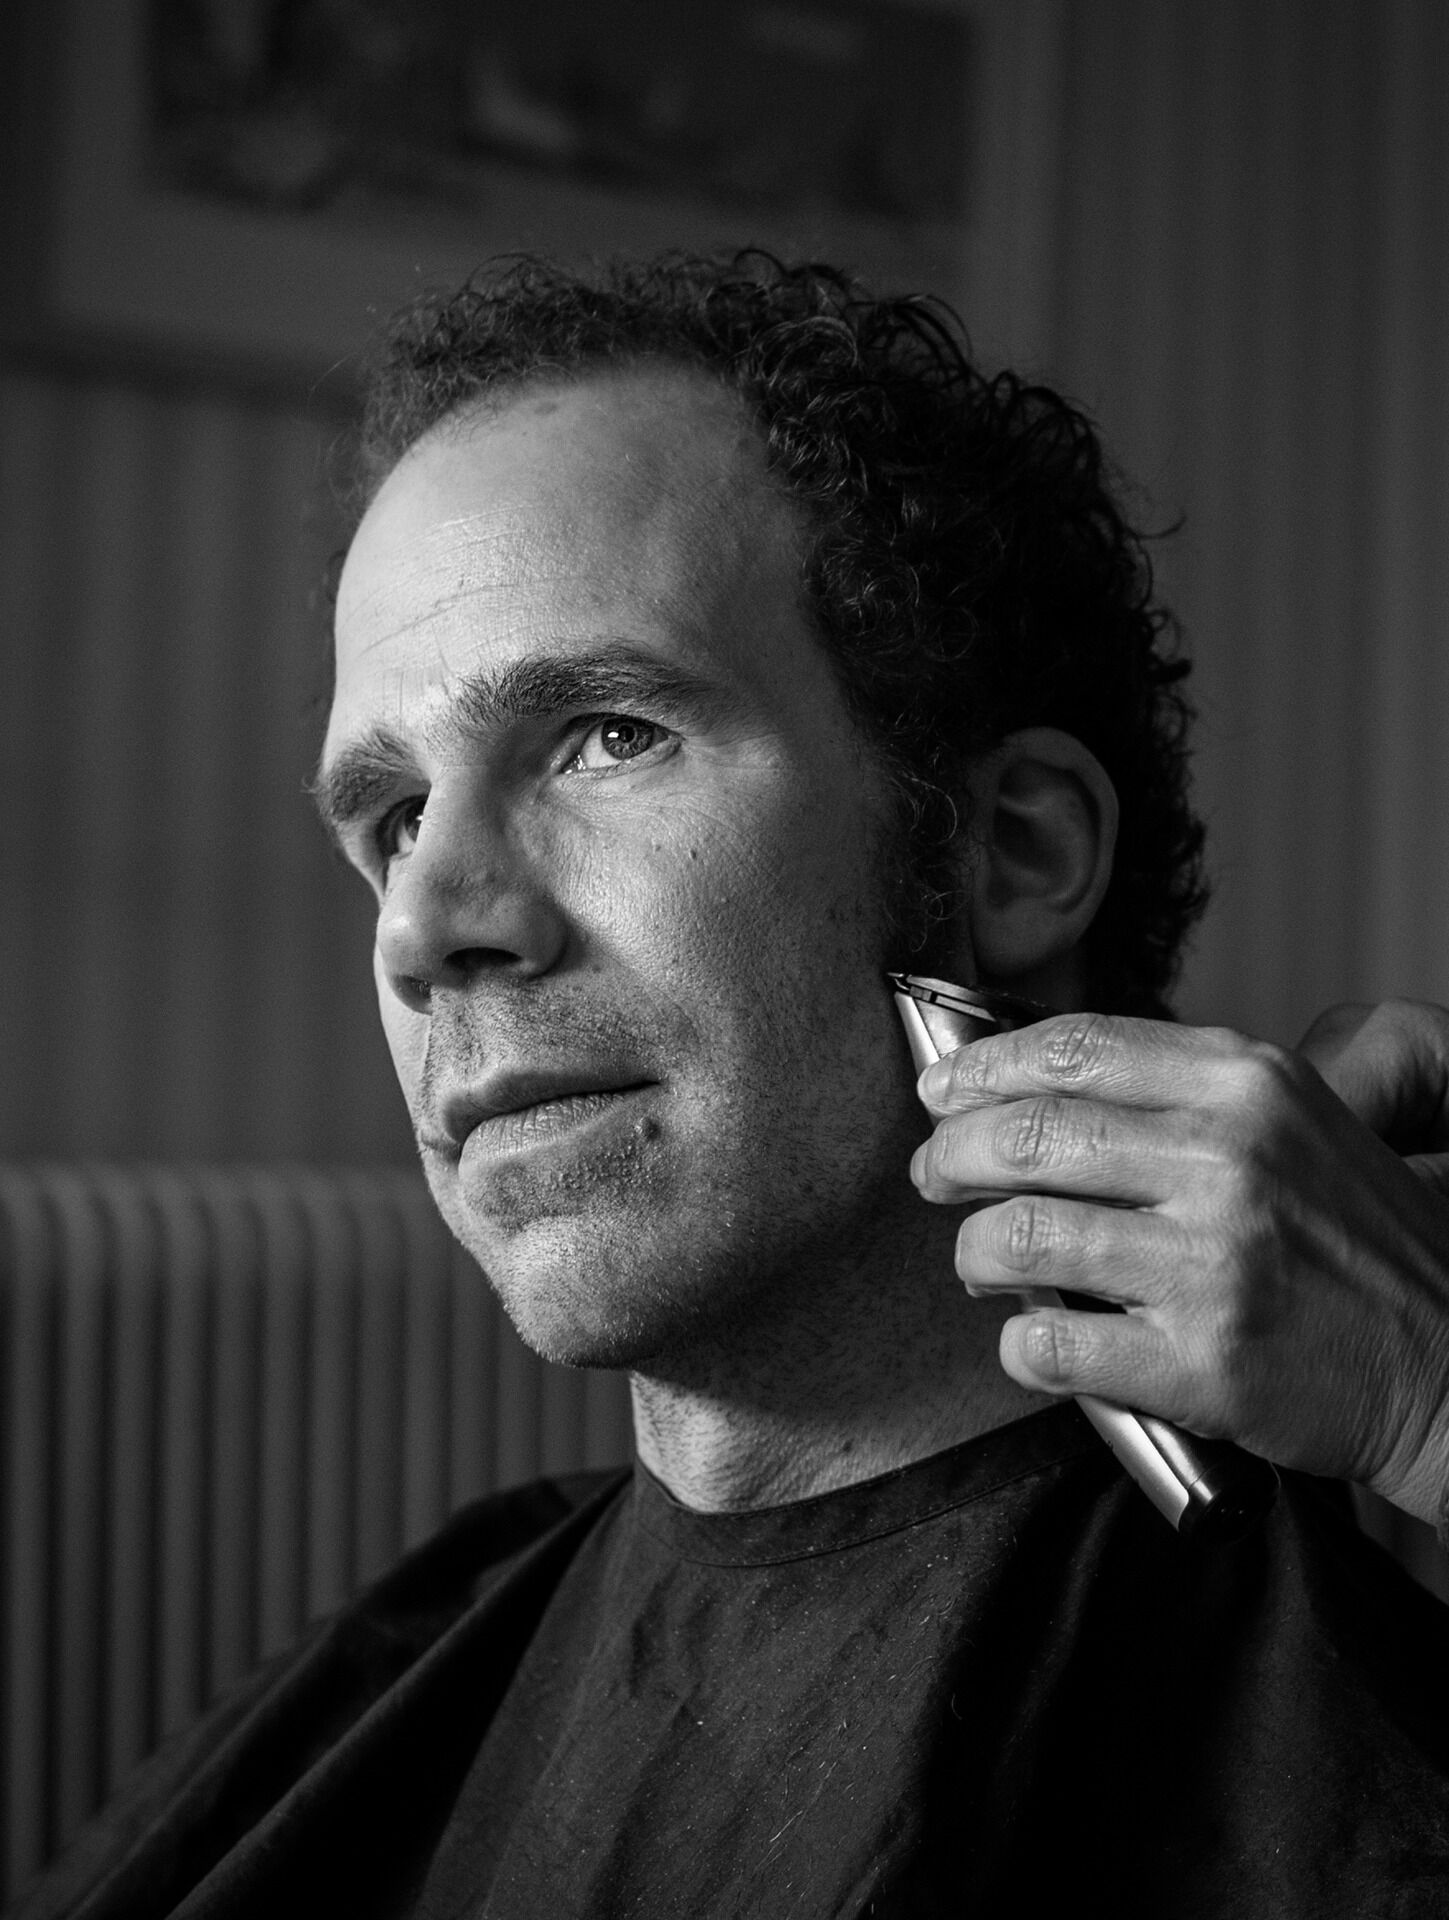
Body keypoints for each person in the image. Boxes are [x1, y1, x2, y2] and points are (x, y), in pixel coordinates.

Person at [14, 252, 1449, 1918]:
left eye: (605, 736)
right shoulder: (415, 1653)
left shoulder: (1341, 1731)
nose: (422, 927)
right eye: (393, 818)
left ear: (1012, 851)